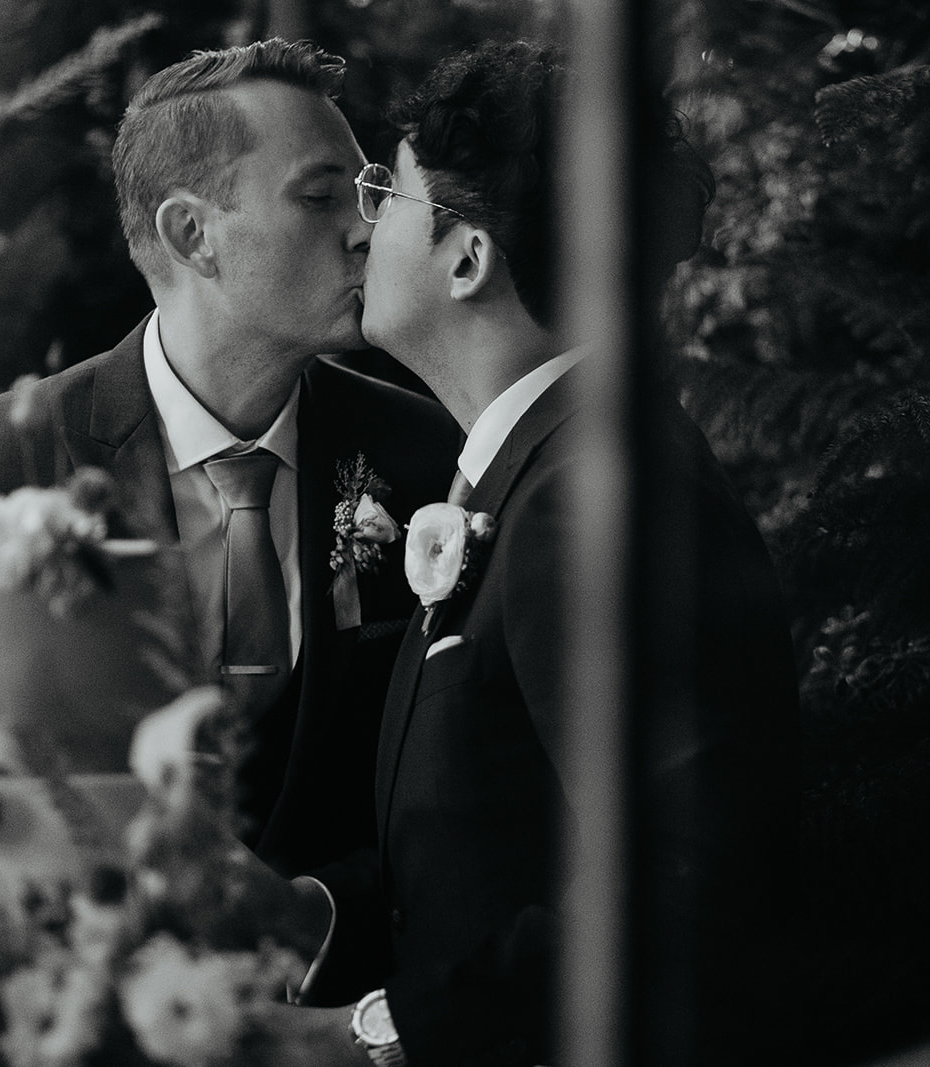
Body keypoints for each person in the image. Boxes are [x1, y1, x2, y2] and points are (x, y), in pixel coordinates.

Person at [247, 40, 802, 1065]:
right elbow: (503, 826)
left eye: (385, 194)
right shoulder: (532, 472)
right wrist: (308, 907)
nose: (360, 231)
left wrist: (379, 1033)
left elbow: (689, 868)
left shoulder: (594, 495)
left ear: (467, 257)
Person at [0, 39, 462, 879]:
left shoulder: (428, 454)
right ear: (192, 234)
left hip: (350, 993)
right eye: (322, 196)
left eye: (366, 196)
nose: (367, 232)